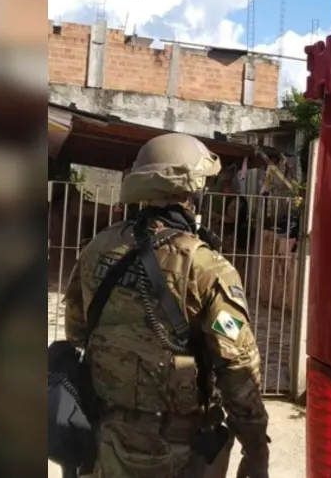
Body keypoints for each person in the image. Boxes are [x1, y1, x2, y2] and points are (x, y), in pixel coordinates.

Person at [63, 133, 270, 478]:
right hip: (177, 453)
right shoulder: (207, 267)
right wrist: (256, 449)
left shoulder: (98, 247)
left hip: (102, 440)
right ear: (191, 191)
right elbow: (237, 370)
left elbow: (76, 328)